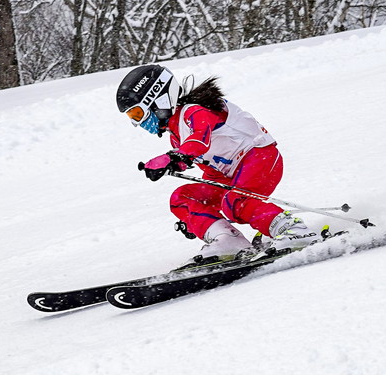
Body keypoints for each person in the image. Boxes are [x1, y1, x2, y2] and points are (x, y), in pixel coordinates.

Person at [115, 63, 320, 261]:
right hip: (230, 175)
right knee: (182, 197)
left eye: (138, 114)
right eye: (132, 118)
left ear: (157, 99)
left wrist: (171, 157)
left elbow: (199, 140)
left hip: (259, 159)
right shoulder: (176, 134)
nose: (138, 123)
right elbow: (205, 165)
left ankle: (294, 230)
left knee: (236, 201)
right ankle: (228, 240)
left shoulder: (195, 112)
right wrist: (199, 219)